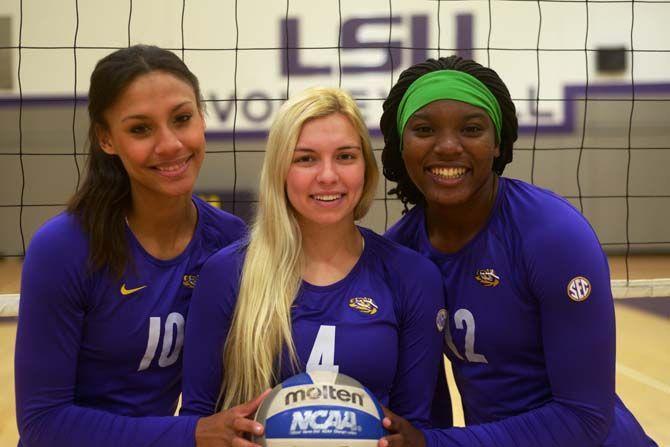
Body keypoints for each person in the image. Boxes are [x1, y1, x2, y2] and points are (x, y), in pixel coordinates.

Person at [379, 56, 658, 446]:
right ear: (399, 145)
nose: (446, 146)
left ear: (497, 143)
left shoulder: (551, 234)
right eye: (424, 129)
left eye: (471, 129)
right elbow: (425, 411)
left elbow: (586, 416)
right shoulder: (398, 254)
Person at [180, 87, 447, 445]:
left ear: (366, 168)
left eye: (345, 156)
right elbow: (200, 421)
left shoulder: (412, 276)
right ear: (281, 170)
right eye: (306, 159)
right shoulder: (228, 273)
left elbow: (416, 426)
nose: (327, 176)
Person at [14, 45, 248, 447]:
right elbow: (42, 423)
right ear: (106, 138)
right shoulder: (63, 248)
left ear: (202, 117)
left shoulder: (230, 239)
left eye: (182, 118)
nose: (171, 144)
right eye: (140, 129)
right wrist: (189, 433)